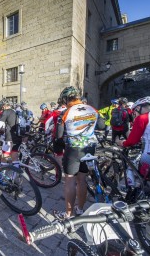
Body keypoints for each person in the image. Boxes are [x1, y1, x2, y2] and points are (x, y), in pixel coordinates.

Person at [53, 86, 98, 220]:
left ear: (67, 99)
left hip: (74, 149)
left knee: (70, 180)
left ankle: (68, 213)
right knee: (82, 180)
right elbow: (101, 126)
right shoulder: (92, 109)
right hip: (90, 147)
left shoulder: (66, 112)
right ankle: (80, 208)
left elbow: (59, 135)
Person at [116, 96, 150, 187]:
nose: (135, 115)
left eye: (134, 112)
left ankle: (131, 191)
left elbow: (132, 141)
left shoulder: (142, 118)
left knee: (131, 167)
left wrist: (121, 142)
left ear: (138, 108)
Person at [0, 99, 21, 167]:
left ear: (4, 105)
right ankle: (16, 173)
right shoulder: (15, 111)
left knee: (5, 155)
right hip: (18, 135)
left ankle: (2, 172)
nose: (2, 108)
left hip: (9, 136)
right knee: (14, 155)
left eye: (2, 106)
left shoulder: (6, 111)